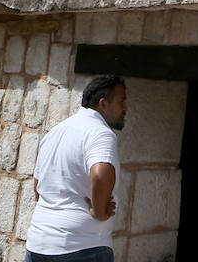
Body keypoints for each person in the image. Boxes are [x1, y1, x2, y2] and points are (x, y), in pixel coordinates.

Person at [25, 75, 128, 262]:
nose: (125, 108)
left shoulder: (55, 132)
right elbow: (101, 174)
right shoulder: (100, 133)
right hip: (83, 247)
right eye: (122, 101)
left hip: (38, 244)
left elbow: (38, 187)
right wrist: (99, 210)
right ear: (103, 104)